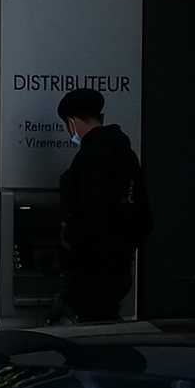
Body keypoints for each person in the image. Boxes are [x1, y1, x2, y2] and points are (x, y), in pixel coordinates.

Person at [55, 87, 151, 320]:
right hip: (121, 269)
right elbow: (143, 217)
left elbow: (91, 215)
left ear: (71, 123)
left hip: (93, 271)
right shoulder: (125, 153)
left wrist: (68, 235)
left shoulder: (90, 156)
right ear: (102, 118)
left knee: (92, 338)